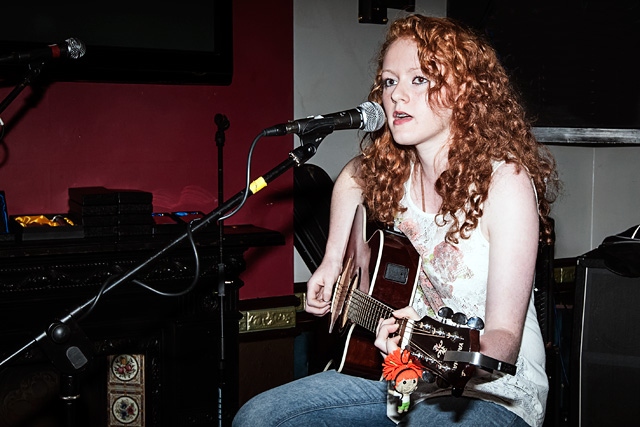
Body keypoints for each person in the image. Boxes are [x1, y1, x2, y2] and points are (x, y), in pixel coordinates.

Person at [233, 13, 558, 427]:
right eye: (389, 82)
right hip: (402, 380)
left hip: (492, 392)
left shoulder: (504, 183)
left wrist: (426, 346)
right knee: (259, 417)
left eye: (418, 79)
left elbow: (503, 342)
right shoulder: (394, 170)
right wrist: (332, 262)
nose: (397, 97)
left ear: (463, 91)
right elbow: (351, 177)